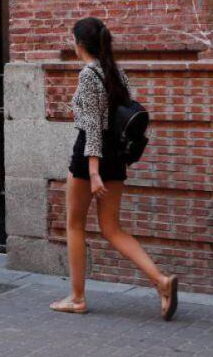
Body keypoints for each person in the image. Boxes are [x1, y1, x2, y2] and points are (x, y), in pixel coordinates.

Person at [50, 17, 179, 320]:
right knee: (112, 228)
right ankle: (161, 281)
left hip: (89, 156)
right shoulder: (117, 73)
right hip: (116, 156)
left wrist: (93, 172)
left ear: (79, 43)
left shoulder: (88, 75)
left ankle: (77, 298)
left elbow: (93, 126)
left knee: (75, 225)